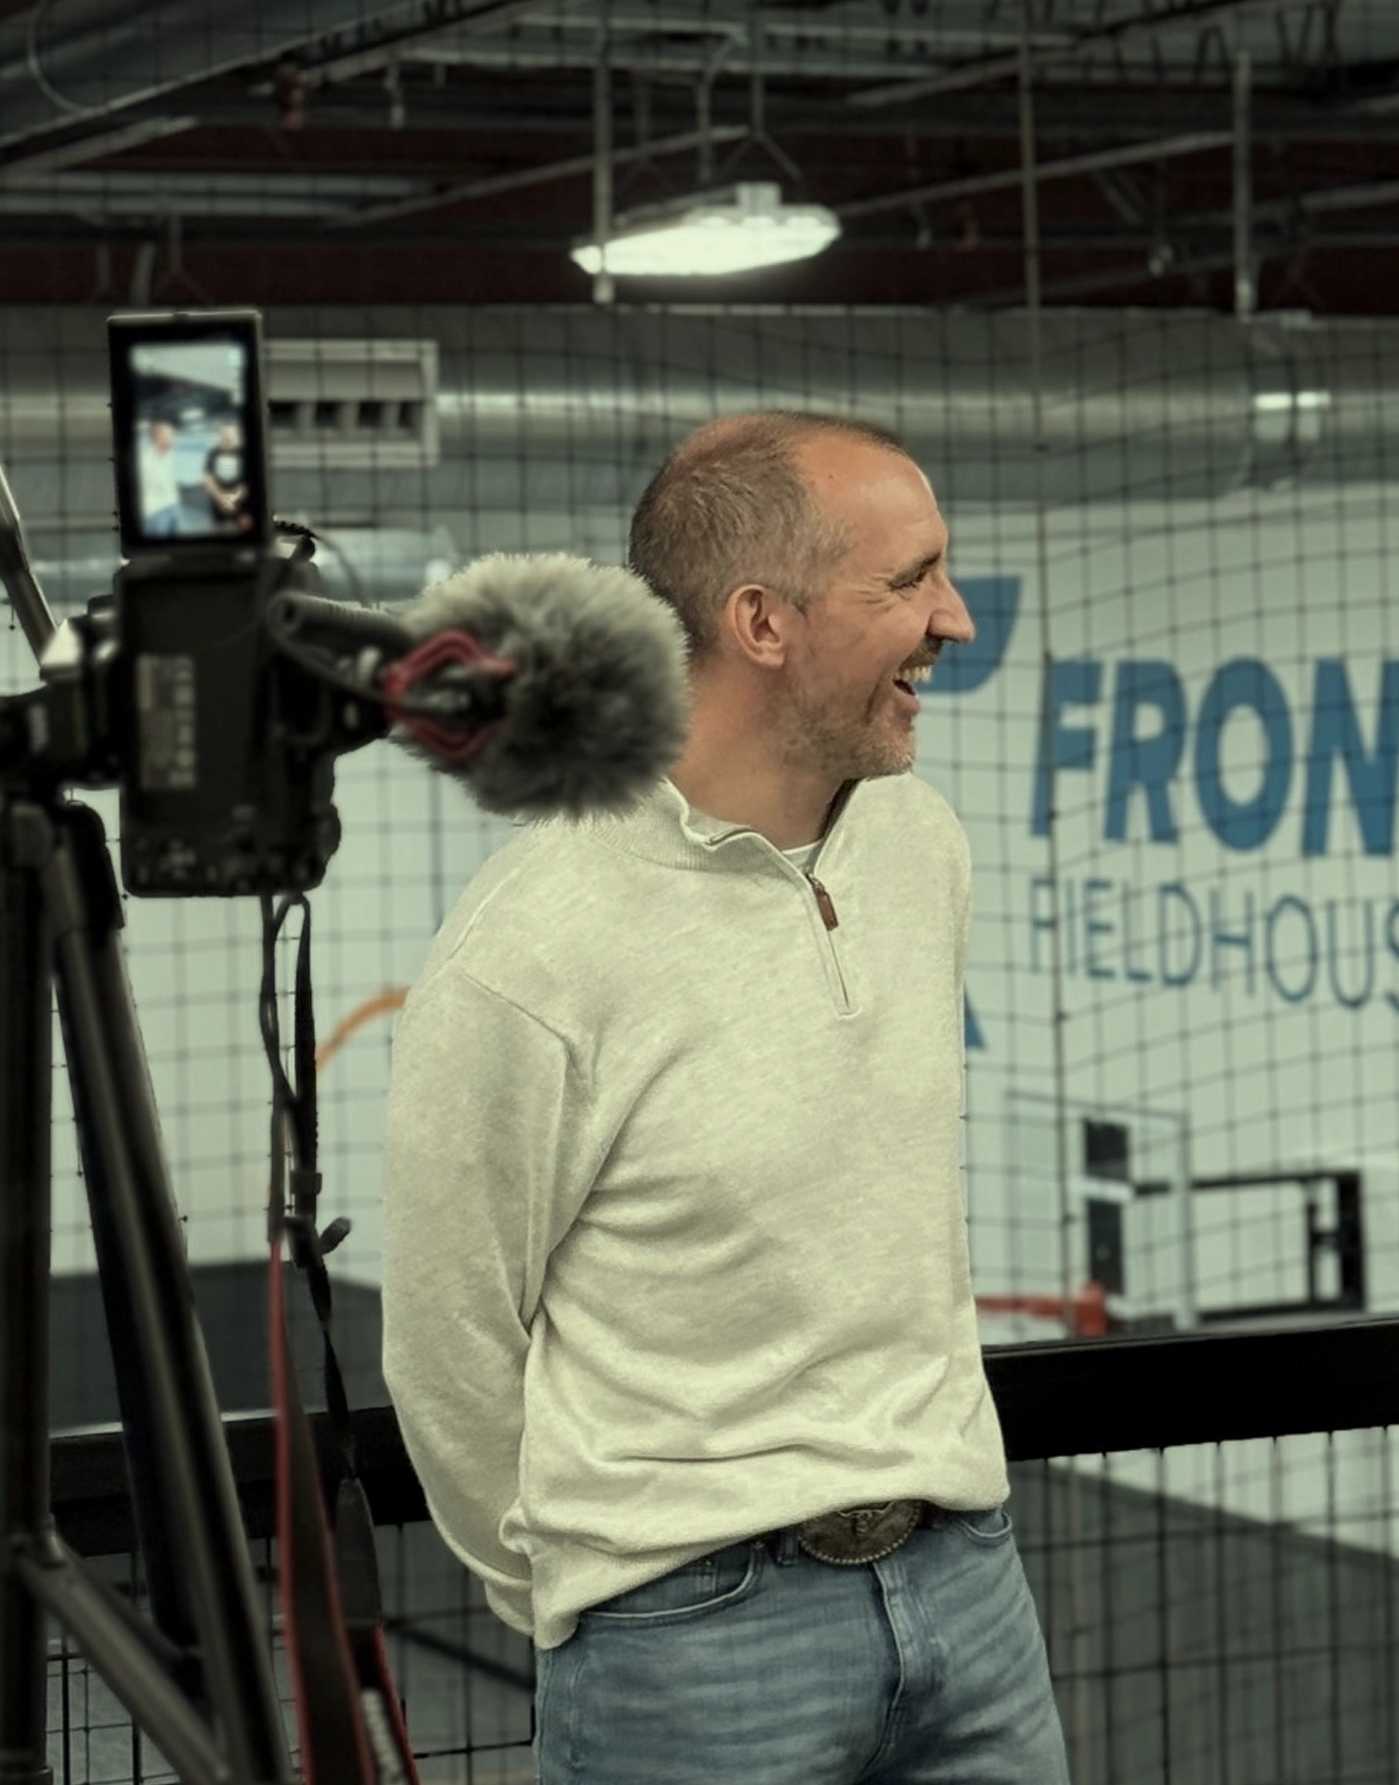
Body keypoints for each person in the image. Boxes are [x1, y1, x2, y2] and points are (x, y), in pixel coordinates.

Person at [381, 412, 1069, 1785]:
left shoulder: (922, 846)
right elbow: (450, 1344)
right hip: (686, 1642)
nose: (956, 619)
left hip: (970, 1586)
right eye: (909, 581)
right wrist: (599, 1598)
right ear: (763, 620)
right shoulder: (535, 943)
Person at [135, 417, 191, 537]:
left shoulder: (169, 454)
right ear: (159, 436)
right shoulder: (145, 461)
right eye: (170, 434)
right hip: (156, 511)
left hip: (173, 506)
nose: (173, 438)